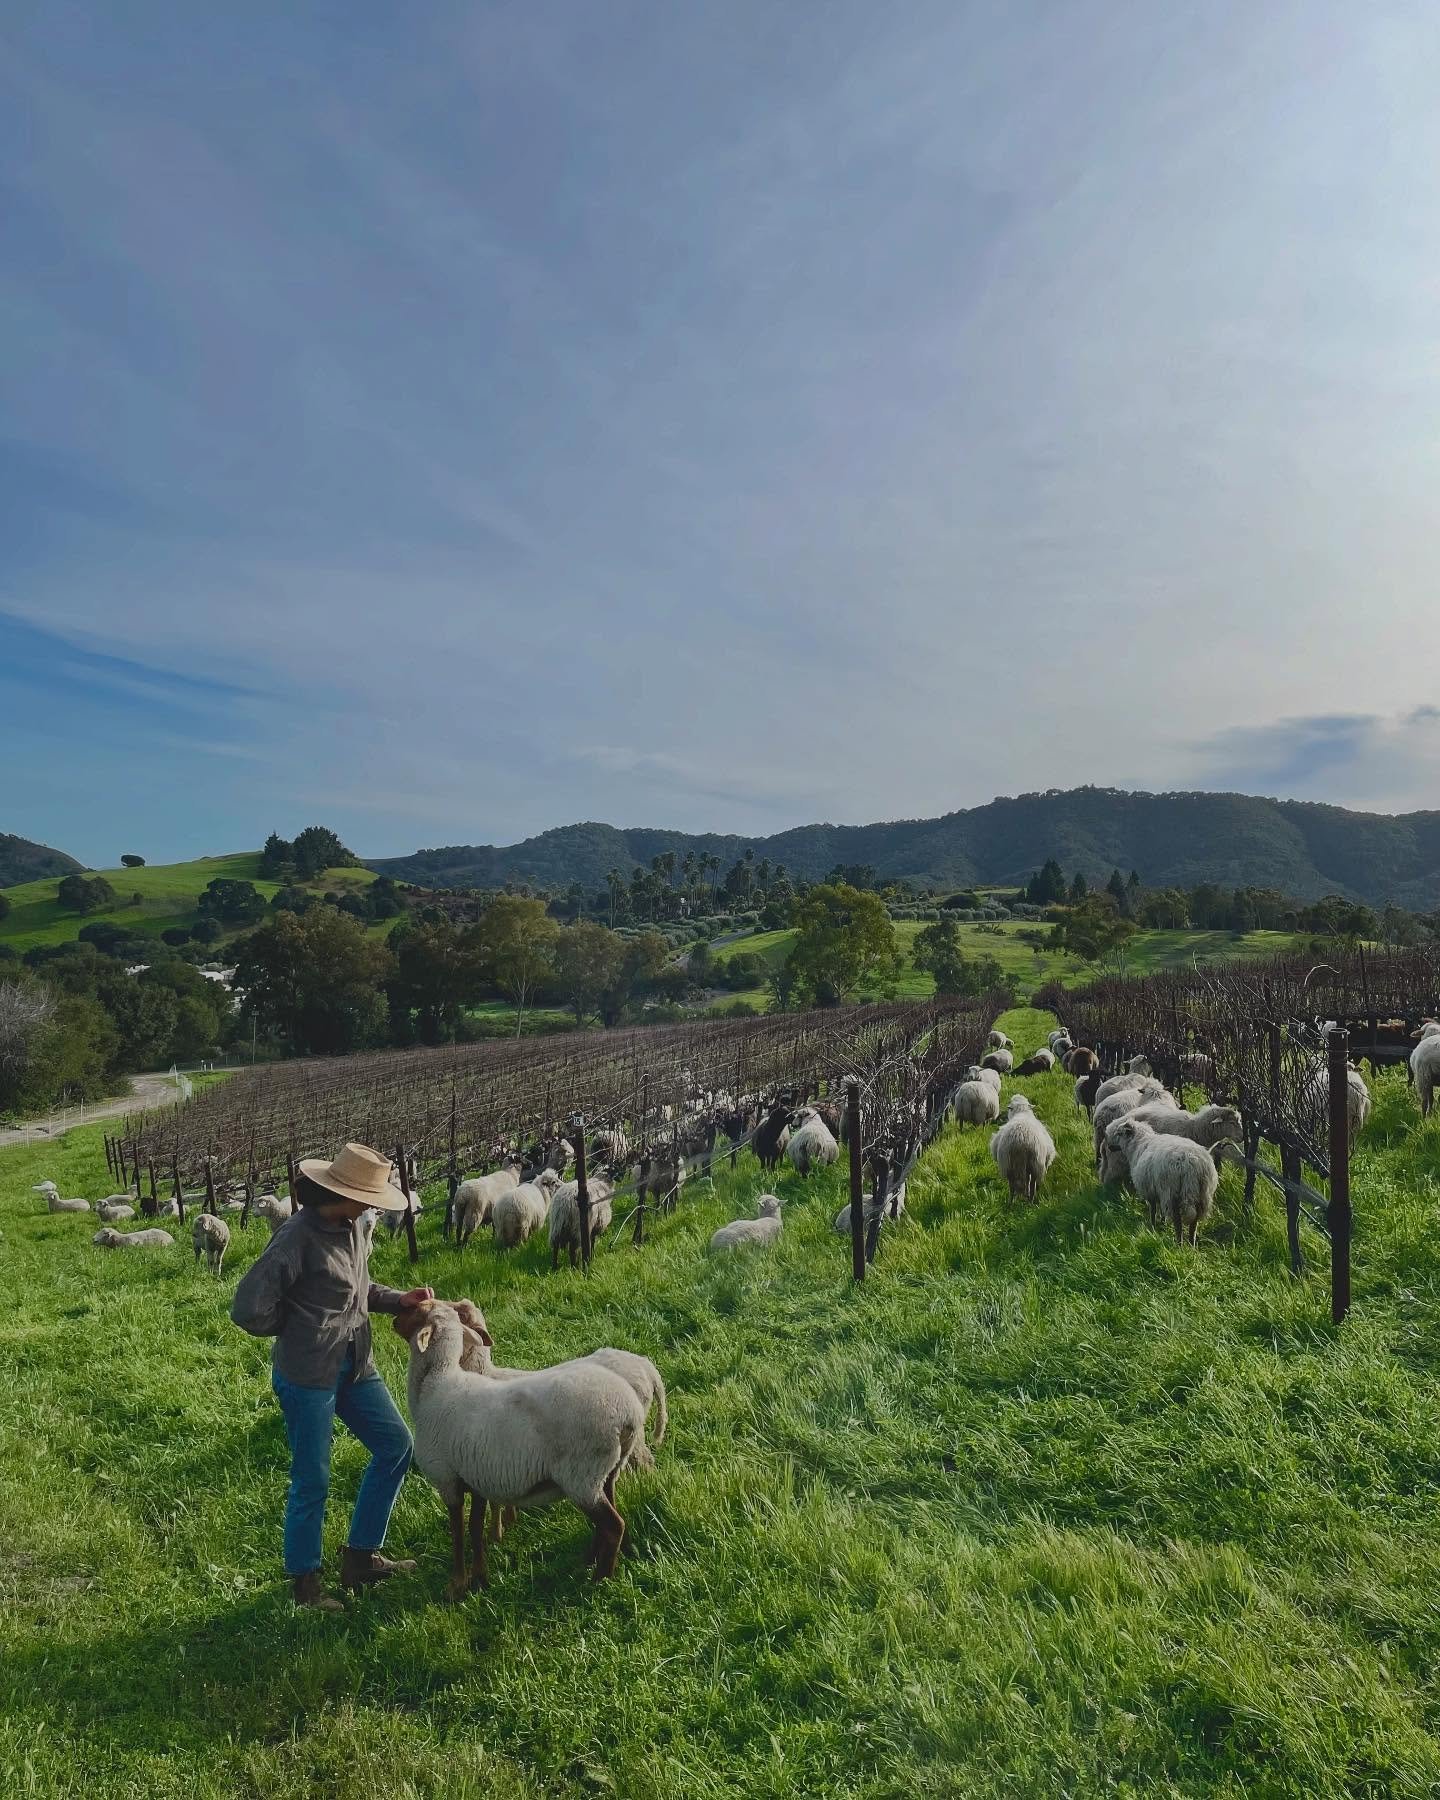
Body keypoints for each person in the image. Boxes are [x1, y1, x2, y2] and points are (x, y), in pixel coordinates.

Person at [231, 1142, 434, 1610]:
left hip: (356, 1365)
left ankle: (361, 1556)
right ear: (343, 1193)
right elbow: (248, 1308)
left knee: (396, 1446)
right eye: (370, 1196)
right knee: (312, 1479)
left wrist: (397, 1298)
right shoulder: (295, 1237)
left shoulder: (354, 1227)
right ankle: (305, 1585)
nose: (373, 1206)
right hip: (308, 1376)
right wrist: (301, 1329)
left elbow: (357, 1289)